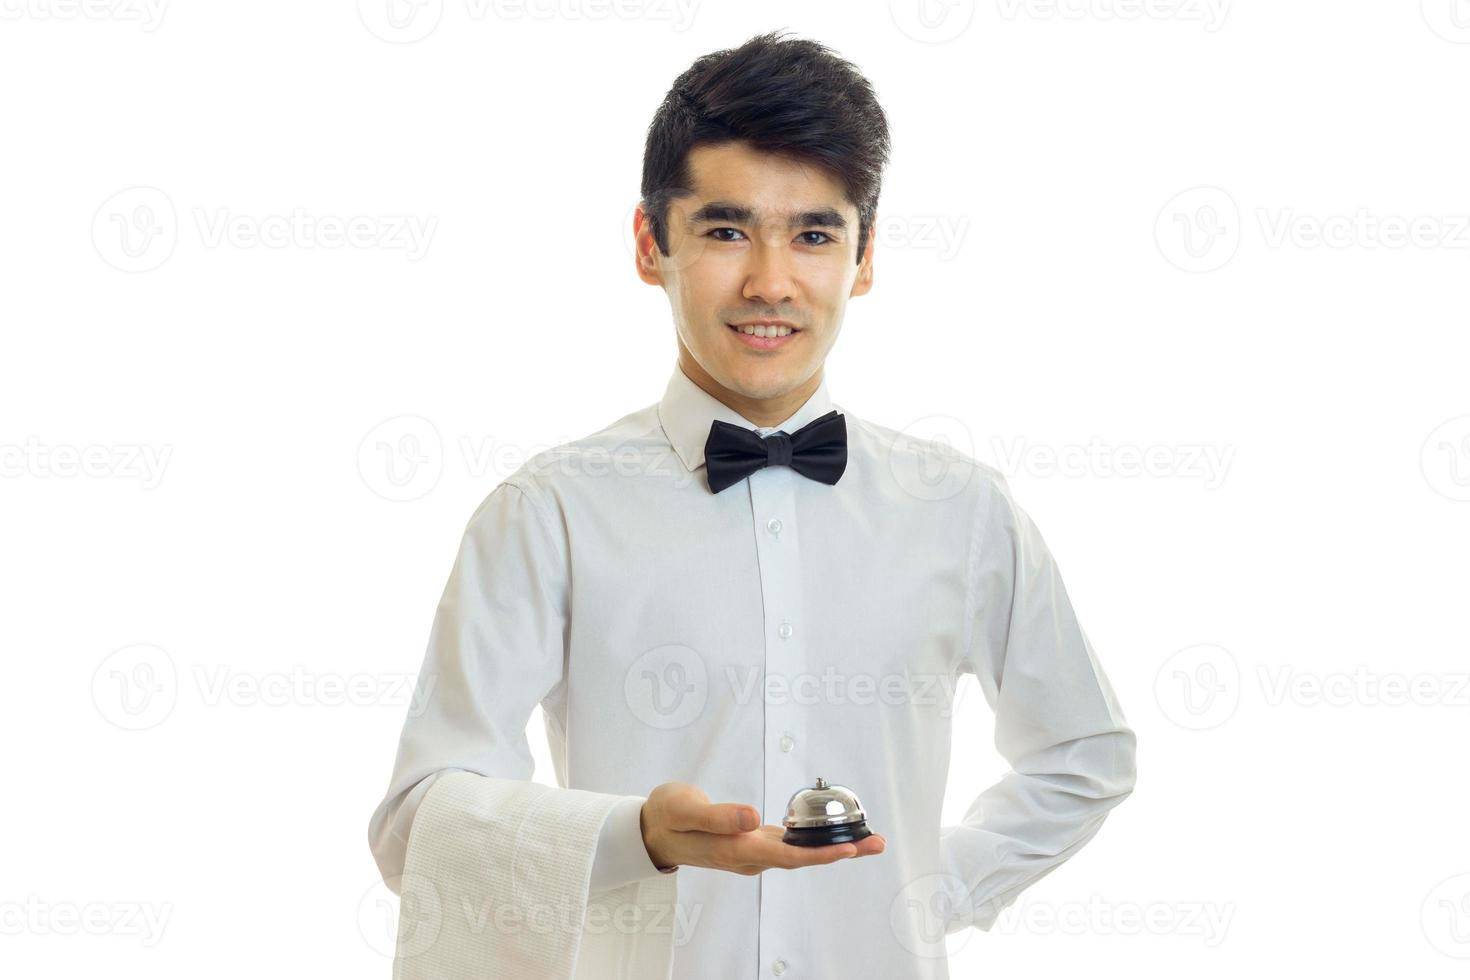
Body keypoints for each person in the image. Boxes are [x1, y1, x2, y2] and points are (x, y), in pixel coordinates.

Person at [368, 29, 1137, 979]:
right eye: (726, 230)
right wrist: (635, 835)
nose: (771, 281)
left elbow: (1086, 755)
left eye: (814, 234)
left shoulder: (962, 510)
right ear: (652, 245)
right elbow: (418, 825)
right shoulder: (547, 513)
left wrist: (932, 892)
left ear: (863, 259)